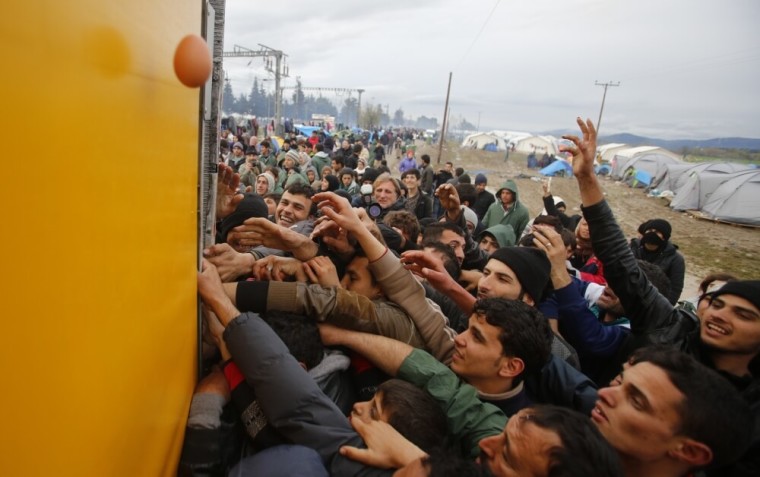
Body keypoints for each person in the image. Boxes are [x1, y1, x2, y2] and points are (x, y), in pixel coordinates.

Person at [562, 116, 760, 476]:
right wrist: (587, 178)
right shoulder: (669, 326)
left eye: (744, 315)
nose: (719, 316)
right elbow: (622, 264)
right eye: (716, 304)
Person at [630, 219, 685, 304]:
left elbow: (675, 289)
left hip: (652, 302)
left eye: (657, 232)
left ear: (664, 237)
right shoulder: (632, 247)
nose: (652, 234)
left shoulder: (676, 260)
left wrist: (663, 309)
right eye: (649, 230)